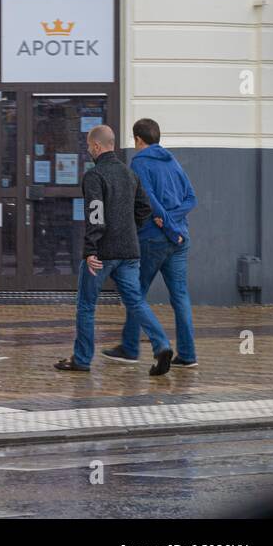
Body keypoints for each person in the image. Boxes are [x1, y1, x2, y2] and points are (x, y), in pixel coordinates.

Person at [55, 124, 174, 377]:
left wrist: (90, 250)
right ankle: (161, 344)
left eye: (89, 146)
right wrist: (128, 228)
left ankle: (82, 359)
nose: (88, 150)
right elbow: (144, 209)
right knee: (136, 301)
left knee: (86, 305)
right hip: (130, 251)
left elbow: (95, 215)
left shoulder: (95, 176)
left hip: (102, 252)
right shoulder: (129, 174)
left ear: (97, 146)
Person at [102, 118, 198, 367]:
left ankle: (131, 348)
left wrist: (166, 224)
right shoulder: (173, 161)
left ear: (138, 139)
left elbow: (151, 202)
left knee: (136, 293)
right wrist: (175, 225)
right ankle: (187, 355)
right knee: (180, 296)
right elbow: (190, 199)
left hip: (153, 240)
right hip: (179, 239)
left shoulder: (140, 162)